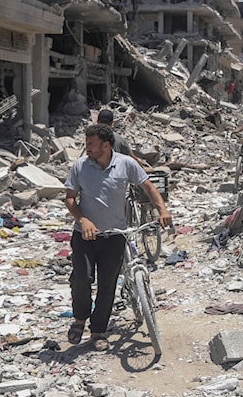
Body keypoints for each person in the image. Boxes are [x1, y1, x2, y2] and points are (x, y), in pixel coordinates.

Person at [64, 123, 172, 350]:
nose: (88, 149)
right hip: (84, 235)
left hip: (114, 235)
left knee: (108, 284)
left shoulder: (126, 164)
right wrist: (83, 220)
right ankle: (80, 319)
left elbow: (149, 187)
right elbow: (70, 199)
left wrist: (162, 209)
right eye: (87, 144)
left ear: (106, 145)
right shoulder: (80, 167)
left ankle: (98, 331)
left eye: (91, 144)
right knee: (82, 278)